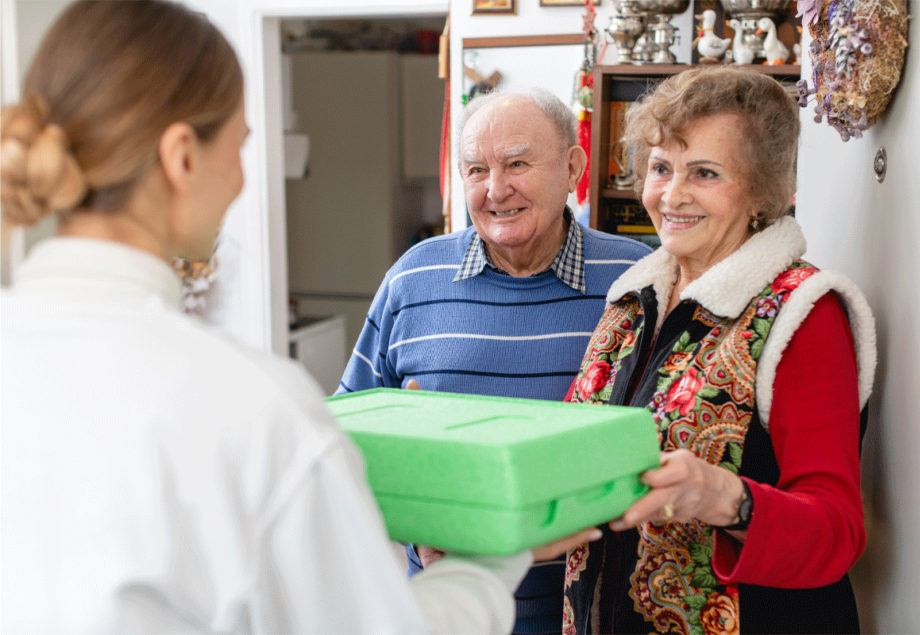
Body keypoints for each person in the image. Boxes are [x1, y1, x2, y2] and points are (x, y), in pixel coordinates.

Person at [0, 2, 598, 633]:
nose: (239, 180)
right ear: (182, 157)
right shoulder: (248, 404)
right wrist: (491, 555)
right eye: (240, 147)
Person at [561, 67, 876, 635]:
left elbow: (838, 532)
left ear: (761, 189)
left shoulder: (803, 312)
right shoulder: (631, 302)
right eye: (660, 168)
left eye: (704, 173)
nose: (672, 194)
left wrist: (722, 496)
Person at [335, 88, 652, 633]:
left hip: (596, 615)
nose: (495, 189)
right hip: (445, 611)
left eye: (518, 164)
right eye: (476, 169)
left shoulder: (636, 279)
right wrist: (416, 519)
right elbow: (344, 442)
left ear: (572, 167)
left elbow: (665, 435)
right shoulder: (413, 279)